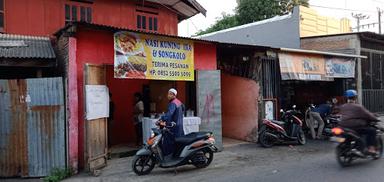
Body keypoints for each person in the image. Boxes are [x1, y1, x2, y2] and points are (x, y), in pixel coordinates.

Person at [339, 89, 380, 154]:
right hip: (355, 127)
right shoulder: (358, 107)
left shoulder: (342, 107)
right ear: (355, 97)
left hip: (343, 127)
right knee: (372, 130)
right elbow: (367, 114)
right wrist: (375, 119)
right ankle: (371, 149)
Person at [158, 88, 185, 156]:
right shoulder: (178, 101)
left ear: (174, 95)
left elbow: (169, 114)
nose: (168, 95)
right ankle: (177, 155)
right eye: (168, 94)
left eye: (170, 94)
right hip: (179, 125)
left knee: (168, 141)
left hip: (173, 126)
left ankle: (167, 156)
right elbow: (184, 108)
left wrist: (162, 119)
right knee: (179, 140)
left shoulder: (173, 103)